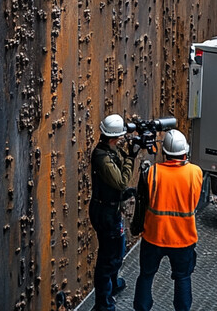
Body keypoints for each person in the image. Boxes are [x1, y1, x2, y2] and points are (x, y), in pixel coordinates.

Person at [131, 129, 202, 311]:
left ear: (165, 153)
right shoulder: (196, 172)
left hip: (154, 236)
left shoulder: (152, 172)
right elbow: (194, 201)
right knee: (183, 278)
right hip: (183, 238)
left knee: (146, 276)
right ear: (185, 152)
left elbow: (143, 202)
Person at [90, 113, 137, 311]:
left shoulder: (109, 150)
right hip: (106, 214)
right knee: (108, 258)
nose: (121, 141)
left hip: (110, 210)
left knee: (118, 249)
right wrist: (131, 158)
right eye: (119, 138)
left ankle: (112, 285)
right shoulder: (103, 158)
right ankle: (104, 303)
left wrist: (127, 154)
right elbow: (121, 182)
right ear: (112, 138)